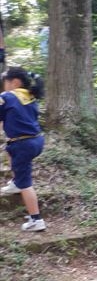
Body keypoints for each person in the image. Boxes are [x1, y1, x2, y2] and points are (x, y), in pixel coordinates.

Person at [0, 67, 46, 232]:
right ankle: (15, 183)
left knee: (26, 183)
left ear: (15, 82)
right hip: (36, 140)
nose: (4, 85)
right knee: (9, 148)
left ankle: (36, 219)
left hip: (23, 144)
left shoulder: (6, 97)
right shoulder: (30, 96)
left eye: (5, 82)